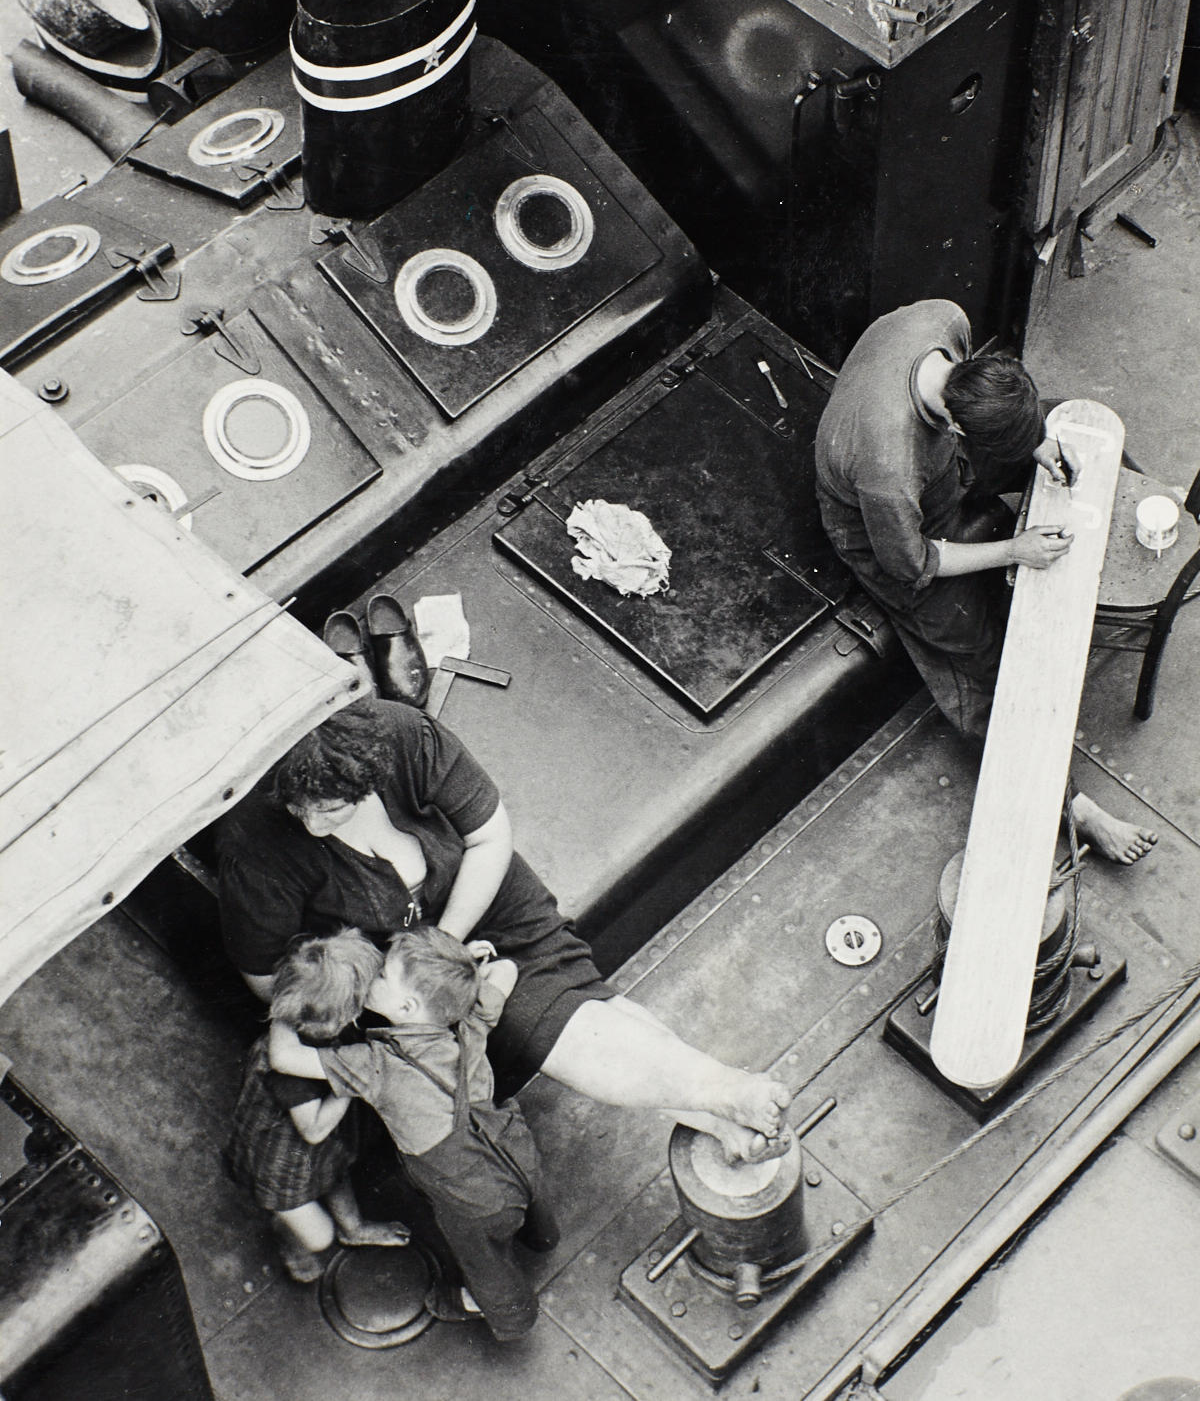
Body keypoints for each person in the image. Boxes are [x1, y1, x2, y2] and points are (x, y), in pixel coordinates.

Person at [215, 698, 791, 1165]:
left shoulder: (404, 735)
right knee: (545, 1017)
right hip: (390, 969)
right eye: (300, 811)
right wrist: (403, 976)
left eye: (332, 808)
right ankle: (716, 1094)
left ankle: (712, 1102)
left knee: (569, 995)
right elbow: (269, 979)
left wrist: (448, 939)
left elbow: (489, 837)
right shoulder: (255, 848)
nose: (312, 825)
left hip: (480, 895)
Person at [814, 297, 1155, 864]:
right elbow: (913, 564)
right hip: (896, 534)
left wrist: (1038, 445)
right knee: (982, 662)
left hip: (945, 465)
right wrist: (1014, 551)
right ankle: (1073, 807)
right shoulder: (888, 468)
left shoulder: (943, 322)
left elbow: (992, 420)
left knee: (1067, 418)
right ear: (956, 430)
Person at [271, 926, 556, 1341]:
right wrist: (460, 967)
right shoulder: (470, 1023)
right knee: (530, 1196)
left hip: (471, 1199)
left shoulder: (375, 1066)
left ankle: (506, 1313)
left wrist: (286, 1002)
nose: (374, 977)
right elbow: (507, 969)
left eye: (382, 975)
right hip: (513, 1150)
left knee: (485, 1264)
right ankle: (543, 1236)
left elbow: (283, 1057)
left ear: (405, 1006)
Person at [223, 929, 411, 1282]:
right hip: (280, 1161)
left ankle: (353, 1228)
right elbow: (313, 1130)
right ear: (345, 1016)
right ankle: (290, 1237)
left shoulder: (295, 1014)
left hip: (312, 1149)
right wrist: (351, 1082)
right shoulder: (289, 1072)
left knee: (335, 1173)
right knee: (318, 1234)